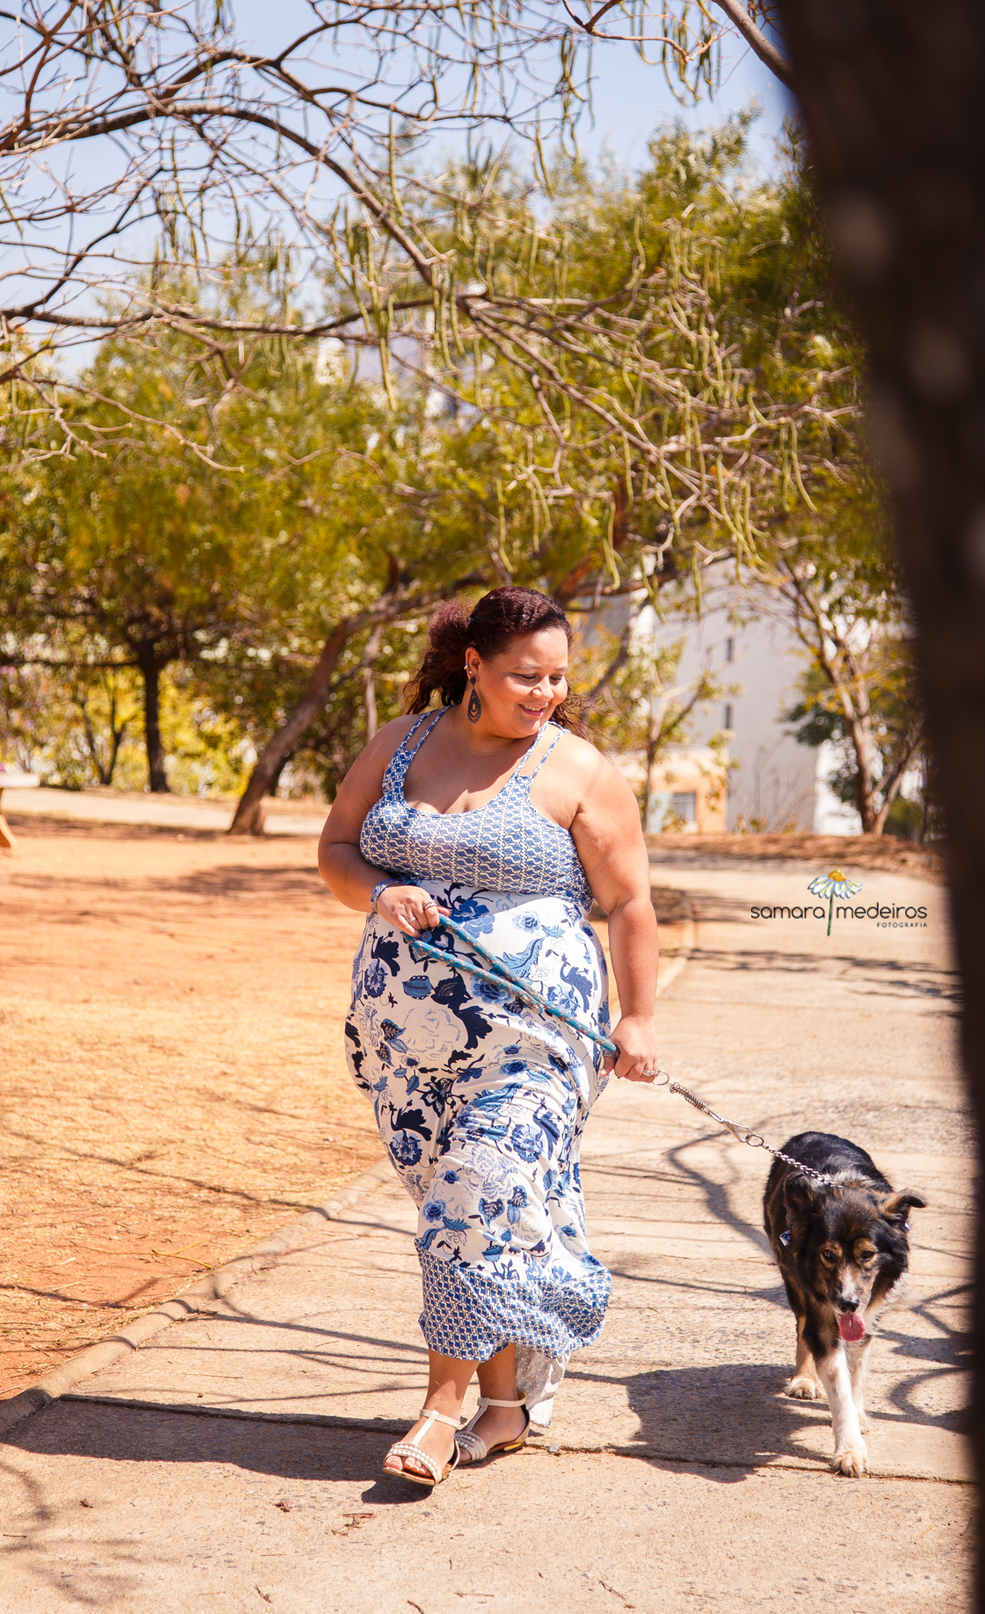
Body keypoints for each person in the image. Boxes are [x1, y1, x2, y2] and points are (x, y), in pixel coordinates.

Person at [318, 586, 659, 1490]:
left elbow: (628, 903)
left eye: (556, 678)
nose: (544, 693)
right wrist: (380, 892)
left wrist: (639, 1016)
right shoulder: (399, 746)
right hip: (405, 1038)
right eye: (524, 677)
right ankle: (503, 1407)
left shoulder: (578, 769)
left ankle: (438, 1411)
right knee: (465, 1211)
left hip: (537, 1036)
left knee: (481, 1183)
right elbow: (338, 851)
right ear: (473, 664)